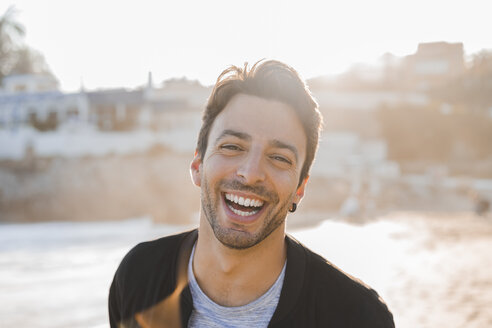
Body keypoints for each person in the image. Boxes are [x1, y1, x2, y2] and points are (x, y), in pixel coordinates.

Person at [108, 60, 395, 328]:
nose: (251, 172)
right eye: (232, 147)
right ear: (197, 165)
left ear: (300, 188)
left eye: (279, 158)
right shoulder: (137, 277)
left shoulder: (356, 316)